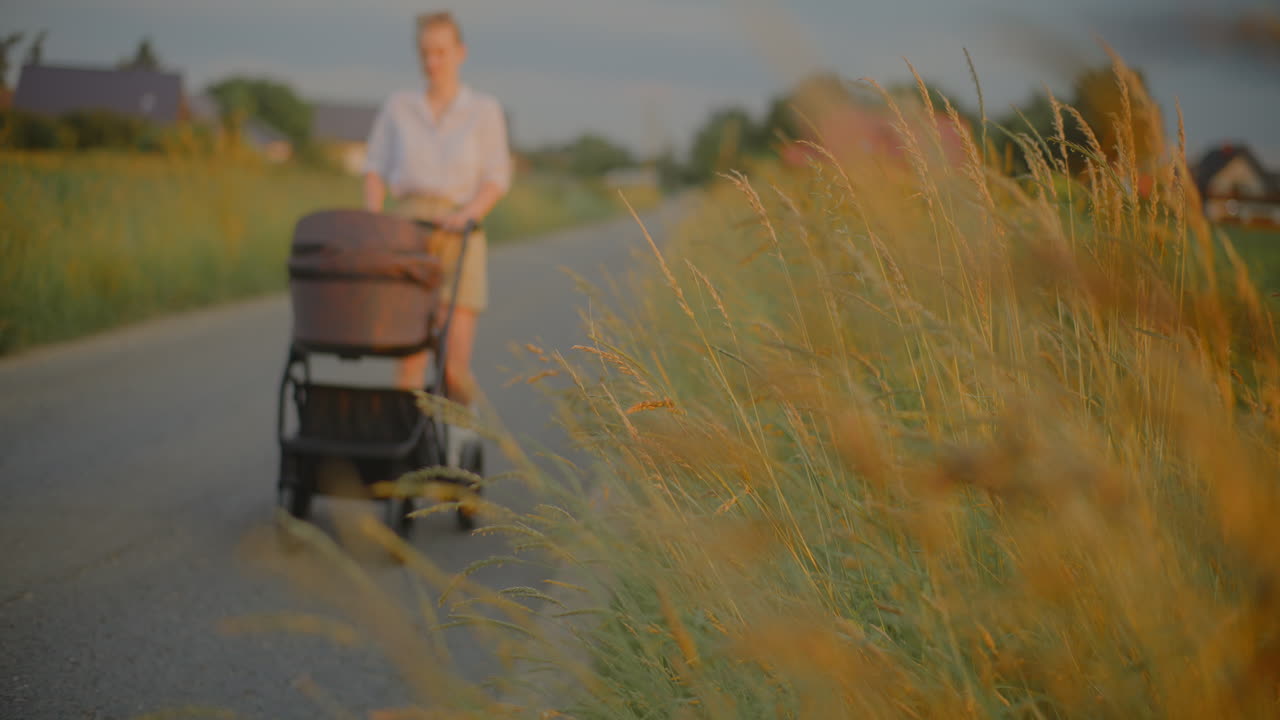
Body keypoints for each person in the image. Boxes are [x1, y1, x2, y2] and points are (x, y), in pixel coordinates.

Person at [363, 10, 511, 417]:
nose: (432, 62)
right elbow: (374, 166)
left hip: (460, 233)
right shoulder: (399, 106)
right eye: (425, 53)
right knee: (408, 359)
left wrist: (468, 213)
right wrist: (374, 218)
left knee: (452, 365)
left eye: (441, 52)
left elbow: (497, 177)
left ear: (459, 52)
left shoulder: (483, 110)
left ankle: (465, 449)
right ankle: (410, 460)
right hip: (407, 233)